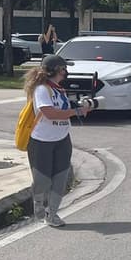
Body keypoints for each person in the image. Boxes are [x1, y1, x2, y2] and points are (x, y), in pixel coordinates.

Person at [23, 54, 94, 227]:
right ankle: (38, 205)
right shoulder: (42, 90)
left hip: (62, 139)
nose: (66, 72)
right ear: (55, 70)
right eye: (63, 69)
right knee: (43, 180)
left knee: (60, 179)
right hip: (41, 141)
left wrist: (83, 107)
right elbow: (50, 113)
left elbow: (65, 110)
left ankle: (52, 214)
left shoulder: (59, 90)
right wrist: (75, 112)